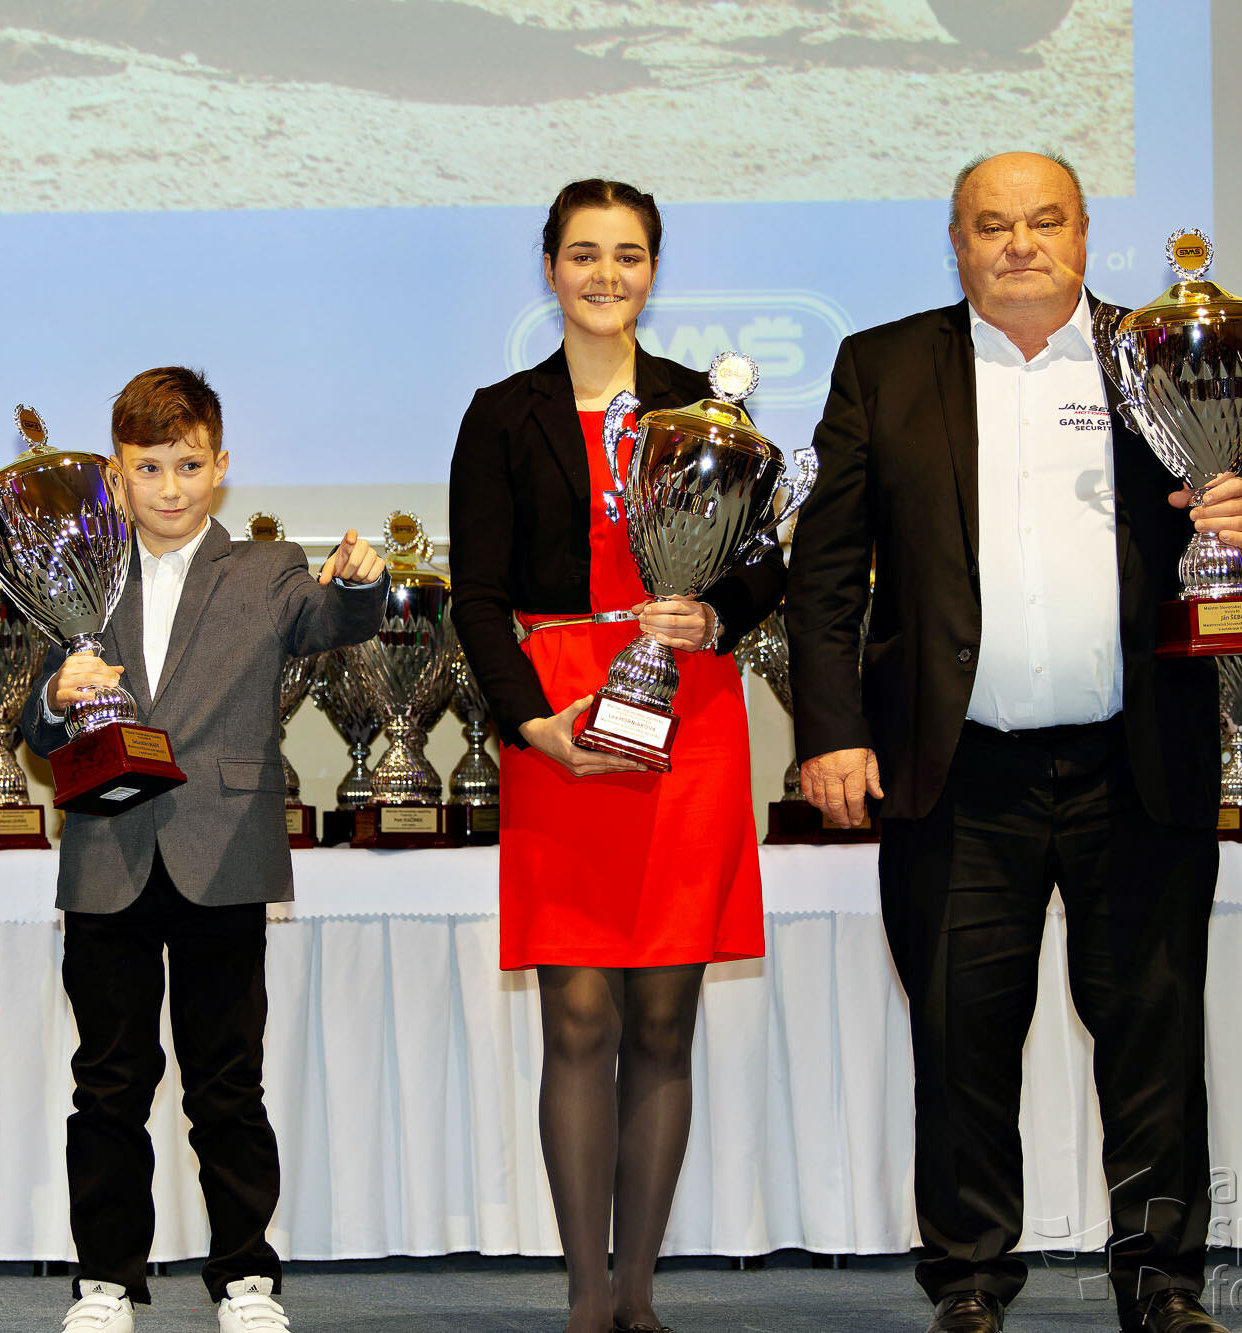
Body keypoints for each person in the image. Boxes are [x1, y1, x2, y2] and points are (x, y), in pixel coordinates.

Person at [785, 151, 1242, 1333]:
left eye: (1043, 220)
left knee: (1152, 1039)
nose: (1018, 243)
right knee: (958, 1041)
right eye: (991, 224)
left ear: (1081, 234)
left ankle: (1162, 1283)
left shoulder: (1154, 348)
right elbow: (824, 575)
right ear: (955, 243)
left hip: (1135, 764)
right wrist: (830, 732)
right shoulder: (881, 366)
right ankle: (966, 1281)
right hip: (956, 774)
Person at [448, 180, 784, 1333]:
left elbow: (764, 562)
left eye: (627, 254)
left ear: (652, 269)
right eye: (583, 253)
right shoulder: (502, 415)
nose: (605, 274)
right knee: (578, 1019)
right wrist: (525, 725)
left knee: (661, 1024)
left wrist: (717, 613)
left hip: (686, 718)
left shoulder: (705, 408)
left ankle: (637, 1294)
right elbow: (476, 597)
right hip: (560, 724)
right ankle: (585, 1298)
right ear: (548, 267)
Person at [19, 367, 388, 1333]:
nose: (171, 487)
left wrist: (363, 582)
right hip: (108, 854)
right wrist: (56, 696)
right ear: (116, 475)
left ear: (221, 466)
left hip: (223, 854)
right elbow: (34, 724)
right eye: (149, 468)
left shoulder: (266, 570)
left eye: (189, 465)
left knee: (227, 1082)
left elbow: (335, 618)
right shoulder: (79, 575)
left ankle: (244, 1275)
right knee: (109, 1081)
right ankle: (105, 1278)